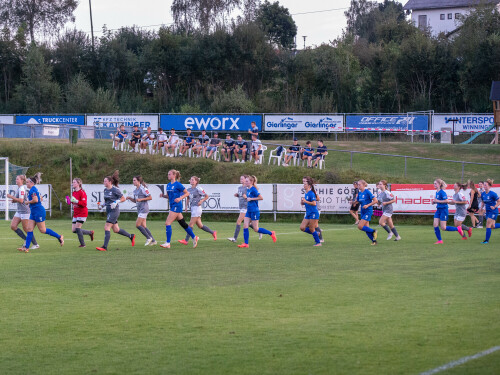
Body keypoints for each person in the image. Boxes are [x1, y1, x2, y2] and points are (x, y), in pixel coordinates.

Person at [18, 173, 64, 252]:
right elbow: (40, 198)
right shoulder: (33, 189)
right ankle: (26, 247)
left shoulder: (33, 190)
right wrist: (32, 204)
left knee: (42, 230)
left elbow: (36, 200)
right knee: (29, 229)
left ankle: (59, 237)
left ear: (32, 183)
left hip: (39, 212)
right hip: (33, 212)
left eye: (27, 182)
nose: (26, 183)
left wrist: (28, 202)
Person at [96, 171, 136, 251]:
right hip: (109, 211)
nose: (104, 182)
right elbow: (106, 201)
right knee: (116, 230)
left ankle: (104, 247)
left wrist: (116, 202)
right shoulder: (105, 190)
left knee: (107, 227)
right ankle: (131, 236)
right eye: (104, 181)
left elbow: (123, 198)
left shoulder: (115, 190)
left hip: (114, 211)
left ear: (110, 182)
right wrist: (102, 206)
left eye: (105, 181)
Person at [159, 169, 198, 249]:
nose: (168, 175)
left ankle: (168, 243)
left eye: (169, 174)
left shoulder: (178, 184)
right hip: (173, 205)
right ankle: (194, 237)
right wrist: (163, 196)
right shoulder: (168, 185)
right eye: (168, 174)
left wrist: (180, 198)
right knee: (183, 224)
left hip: (176, 206)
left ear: (174, 175)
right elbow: (169, 196)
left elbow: (187, 193)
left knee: (167, 223)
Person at [237, 175, 276, 248]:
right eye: (245, 181)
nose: (245, 182)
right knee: (245, 226)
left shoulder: (253, 189)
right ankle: (246, 244)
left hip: (254, 211)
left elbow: (261, 198)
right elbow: (249, 198)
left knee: (256, 229)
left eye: (247, 181)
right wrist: (246, 197)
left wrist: (251, 199)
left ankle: (271, 233)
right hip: (249, 210)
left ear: (251, 182)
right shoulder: (248, 189)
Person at [179, 176, 217, 245]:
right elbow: (187, 198)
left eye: (193, 180)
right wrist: (186, 207)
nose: (191, 181)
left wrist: (201, 200)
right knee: (200, 226)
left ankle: (186, 240)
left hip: (197, 208)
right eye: (191, 179)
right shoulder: (189, 189)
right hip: (192, 208)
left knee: (190, 224)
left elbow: (206, 196)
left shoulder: (198, 188)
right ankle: (213, 232)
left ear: (196, 181)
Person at [7, 174, 39, 250]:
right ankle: (26, 240)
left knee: (26, 229)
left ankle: (35, 244)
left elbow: (21, 201)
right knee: (13, 226)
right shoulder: (19, 188)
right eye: (16, 179)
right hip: (19, 211)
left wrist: (11, 197)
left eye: (17, 179)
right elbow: (20, 200)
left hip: (25, 211)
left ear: (21, 180)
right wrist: (14, 200)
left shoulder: (22, 189)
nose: (16, 180)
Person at [126, 176, 156, 246]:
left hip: (144, 209)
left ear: (138, 181)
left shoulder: (143, 188)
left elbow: (150, 197)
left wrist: (141, 199)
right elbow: (136, 201)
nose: (133, 182)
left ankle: (148, 238)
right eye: (133, 180)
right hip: (139, 210)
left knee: (137, 225)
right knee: (144, 226)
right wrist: (130, 198)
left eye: (134, 180)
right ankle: (153, 240)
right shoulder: (135, 190)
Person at [69, 178, 94, 248]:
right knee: (74, 230)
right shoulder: (74, 192)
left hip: (82, 212)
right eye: (72, 182)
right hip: (76, 213)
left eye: (74, 182)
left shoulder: (82, 192)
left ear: (78, 183)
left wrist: (76, 201)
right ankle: (90, 232)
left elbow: (84, 204)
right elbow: (73, 202)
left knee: (77, 228)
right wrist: (69, 201)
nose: (72, 184)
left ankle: (83, 244)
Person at [432, 179, 459, 244]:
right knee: (435, 224)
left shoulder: (442, 192)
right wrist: (434, 202)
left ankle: (458, 229)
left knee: (443, 228)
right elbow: (438, 201)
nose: (434, 185)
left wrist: (437, 201)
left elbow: (446, 201)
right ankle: (440, 240)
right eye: (434, 183)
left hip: (444, 210)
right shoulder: (437, 192)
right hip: (438, 210)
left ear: (439, 184)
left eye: (435, 183)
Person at [300, 176, 321, 246]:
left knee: (312, 228)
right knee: (302, 228)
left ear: (309, 185)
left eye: (305, 184)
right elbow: (307, 202)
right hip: (308, 213)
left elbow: (314, 203)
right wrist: (303, 202)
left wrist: (305, 201)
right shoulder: (306, 193)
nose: (304, 185)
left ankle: (318, 243)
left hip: (313, 213)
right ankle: (316, 233)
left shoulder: (311, 193)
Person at [228, 175, 250, 242]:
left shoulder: (247, 188)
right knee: (249, 224)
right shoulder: (239, 188)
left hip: (245, 207)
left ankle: (235, 238)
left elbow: (249, 197)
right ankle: (259, 231)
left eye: (242, 178)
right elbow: (241, 196)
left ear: (246, 179)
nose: (241, 179)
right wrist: (237, 195)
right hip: (241, 206)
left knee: (238, 221)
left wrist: (246, 197)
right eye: (240, 178)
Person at [356, 180, 378, 245]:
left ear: (363, 185)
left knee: (360, 226)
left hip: (368, 211)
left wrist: (367, 205)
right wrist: (353, 202)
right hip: (362, 211)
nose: (358, 186)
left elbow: (375, 200)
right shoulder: (360, 193)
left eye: (359, 184)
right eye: (358, 184)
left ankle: (374, 231)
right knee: (366, 228)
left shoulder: (367, 192)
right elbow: (358, 201)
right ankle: (374, 241)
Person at [480, 179, 500, 244]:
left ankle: (486, 240)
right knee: (492, 226)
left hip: (493, 211)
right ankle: (486, 240)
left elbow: (499, 201)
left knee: (488, 224)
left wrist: (495, 206)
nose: (484, 186)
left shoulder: (493, 194)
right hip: (488, 212)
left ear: (489, 186)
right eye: (484, 185)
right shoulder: (483, 194)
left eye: (485, 185)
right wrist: (481, 208)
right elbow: (483, 202)